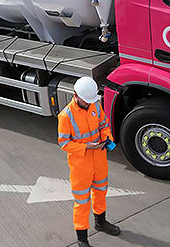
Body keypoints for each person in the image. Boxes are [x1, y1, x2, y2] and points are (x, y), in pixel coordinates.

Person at [57, 77, 121, 247]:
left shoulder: (94, 105)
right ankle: (82, 237)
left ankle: (100, 222)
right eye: (86, 100)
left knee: (101, 192)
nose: (88, 103)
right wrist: (86, 147)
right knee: (82, 201)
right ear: (75, 95)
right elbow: (63, 143)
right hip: (81, 165)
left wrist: (107, 138)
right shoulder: (65, 116)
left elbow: (104, 125)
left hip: (99, 160)